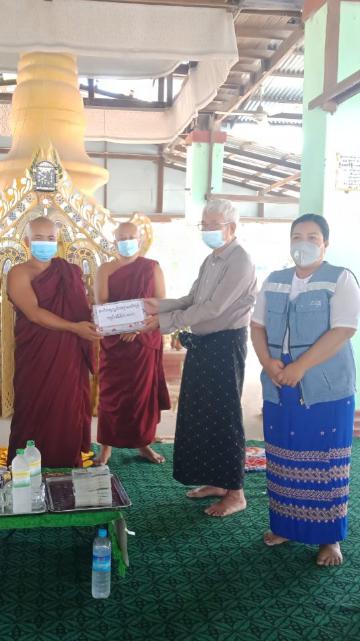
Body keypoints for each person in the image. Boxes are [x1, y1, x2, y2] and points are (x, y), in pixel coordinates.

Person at [250, 213, 360, 566]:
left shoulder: (340, 278)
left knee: (325, 462)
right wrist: (268, 363)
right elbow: (257, 326)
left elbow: (344, 329)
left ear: (325, 243)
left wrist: (301, 366)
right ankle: (287, 526)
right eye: (297, 236)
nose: (304, 243)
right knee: (284, 456)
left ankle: (329, 539)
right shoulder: (275, 280)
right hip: (279, 381)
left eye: (313, 237)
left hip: (325, 386)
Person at [144, 199, 256, 517]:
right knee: (202, 412)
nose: (207, 230)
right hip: (204, 343)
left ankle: (236, 492)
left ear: (231, 227)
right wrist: (158, 305)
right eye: (204, 225)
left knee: (224, 415)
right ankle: (217, 481)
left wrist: (163, 322)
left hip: (226, 344)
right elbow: (192, 298)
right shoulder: (212, 259)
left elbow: (213, 308)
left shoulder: (240, 260)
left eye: (213, 225)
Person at [6, 215, 101, 468]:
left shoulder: (69, 272)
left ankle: (67, 464)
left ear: (57, 241)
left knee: (67, 408)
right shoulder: (19, 273)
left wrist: (99, 318)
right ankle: (26, 468)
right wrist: (74, 328)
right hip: (37, 354)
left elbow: (82, 309)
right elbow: (34, 313)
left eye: (50, 238)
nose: (45, 243)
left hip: (69, 353)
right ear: (27, 241)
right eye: (38, 238)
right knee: (32, 406)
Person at [95, 222, 171, 466]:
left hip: (143, 341)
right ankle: (105, 447)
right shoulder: (105, 269)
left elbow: (160, 303)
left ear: (140, 240)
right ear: (114, 241)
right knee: (110, 395)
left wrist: (137, 327)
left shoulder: (152, 268)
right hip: (114, 344)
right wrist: (124, 325)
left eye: (131, 237)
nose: (126, 241)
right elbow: (102, 304)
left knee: (141, 396)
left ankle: (143, 443)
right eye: (122, 237)